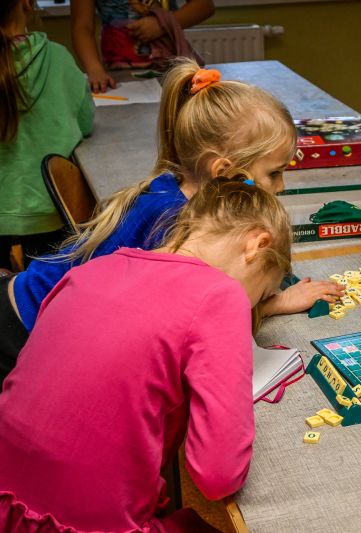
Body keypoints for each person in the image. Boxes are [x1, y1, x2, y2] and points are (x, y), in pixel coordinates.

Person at [0, 59, 343, 383]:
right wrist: (278, 303)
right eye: (274, 173)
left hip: (23, 302)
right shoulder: (178, 226)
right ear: (223, 171)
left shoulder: (176, 187)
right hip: (23, 332)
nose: (281, 187)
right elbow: (191, 330)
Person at [0, 177, 291, 532]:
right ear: (257, 244)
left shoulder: (92, 270)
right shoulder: (222, 295)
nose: (254, 308)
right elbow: (218, 475)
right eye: (261, 295)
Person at [0, 0, 94, 272]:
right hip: (49, 209)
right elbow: (85, 122)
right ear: (26, 4)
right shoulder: (57, 57)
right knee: (46, 292)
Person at [71, 0, 215, 93]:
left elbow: (204, 6)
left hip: (172, 68)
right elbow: (82, 26)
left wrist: (161, 24)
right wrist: (95, 70)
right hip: (118, 76)